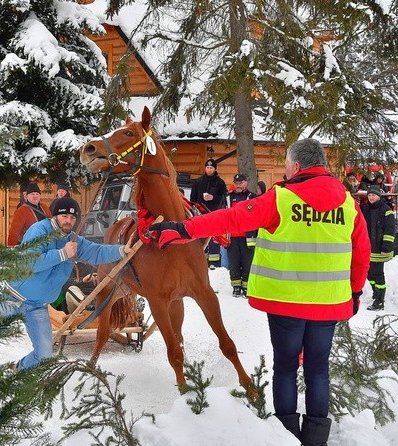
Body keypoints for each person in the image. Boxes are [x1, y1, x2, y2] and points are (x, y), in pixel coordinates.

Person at [149, 138, 370, 445]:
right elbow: (362, 254)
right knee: (319, 370)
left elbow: (232, 219)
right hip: (329, 304)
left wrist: (184, 229)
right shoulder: (349, 205)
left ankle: (287, 436)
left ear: (294, 166)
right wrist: (355, 293)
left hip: (287, 304)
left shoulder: (280, 199)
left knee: (286, 366)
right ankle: (316, 439)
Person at [0, 197, 133, 371]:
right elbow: (29, 262)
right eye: (64, 216)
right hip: (13, 297)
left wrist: (121, 250)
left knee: (44, 355)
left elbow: (96, 251)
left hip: (37, 307)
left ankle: (18, 370)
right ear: (55, 215)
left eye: (72, 218)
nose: (68, 220)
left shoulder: (73, 240)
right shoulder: (39, 230)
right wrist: (62, 254)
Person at [361, 185, 395, 311]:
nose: (371, 197)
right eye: (369, 195)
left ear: (379, 196)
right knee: (369, 274)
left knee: (377, 274)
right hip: (368, 248)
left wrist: (386, 247)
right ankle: (376, 294)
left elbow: (390, 230)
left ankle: (380, 300)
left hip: (379, 249)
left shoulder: (386, 210)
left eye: (373, 195)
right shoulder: (365, 209)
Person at [190, 158, 227, 268]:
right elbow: (192, 200)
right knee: (200, 238)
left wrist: (213, 197)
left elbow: (224, 199)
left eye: (211, 168)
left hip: (214, 214)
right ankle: (200, 261)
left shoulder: (220, 183)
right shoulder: (198, 182)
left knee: (213, 238)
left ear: (215, 169)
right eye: (207, 167)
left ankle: (214, 263)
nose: (209, 169)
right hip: (200, 215)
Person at [227, 173, 257, 297]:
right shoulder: (228, 197)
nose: (238, 185)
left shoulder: (252, 197)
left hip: (248, 237)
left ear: (246, 183)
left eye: (240, 183)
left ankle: (246, 287)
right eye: (236, 183)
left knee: (247, 263)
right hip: (232, 237)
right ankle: (236, 286)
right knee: (234, 263)